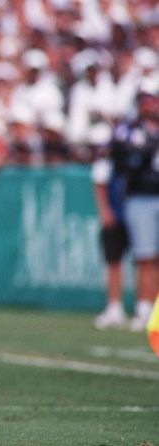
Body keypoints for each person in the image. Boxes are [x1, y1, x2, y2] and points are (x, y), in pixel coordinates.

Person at [110, 77, 159, 332]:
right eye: (144, 99)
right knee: (145, 256)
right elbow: (120, 156)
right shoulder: (129, 128)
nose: (148, 104)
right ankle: (143, 308)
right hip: (141, 195)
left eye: (151, 99)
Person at [90, 122, 129, 330]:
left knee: (147, 260)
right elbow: (99, 186)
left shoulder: (128, 158)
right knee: (114, 261)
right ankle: (114, 307)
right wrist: (105, 212)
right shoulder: (104, 163)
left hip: (132, 212)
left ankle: (146, 307)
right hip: (116, 215)